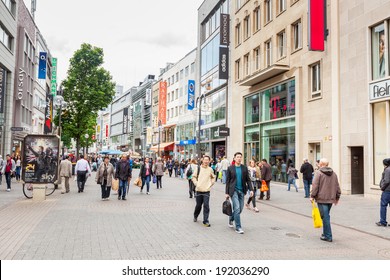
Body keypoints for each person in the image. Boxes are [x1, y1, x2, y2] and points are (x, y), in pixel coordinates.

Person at [310, 158, 341, 242]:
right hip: (330, 199)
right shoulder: (334, 174)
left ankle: (328, 236)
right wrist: (337, 197)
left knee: (325, 217)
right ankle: (325, 234)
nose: (318, 164)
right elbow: (337, 186)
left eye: (319, 163)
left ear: (322, 164)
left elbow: (315, 185)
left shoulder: (319, 173)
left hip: (322, 199)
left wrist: (312, 196)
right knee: (325, 216)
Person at [226, 152, 254, 234]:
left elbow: (248, 180)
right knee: (237, 208)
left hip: (242, 191)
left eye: (240, 157)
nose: (239, 158)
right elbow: (227, 181)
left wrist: (251, 190)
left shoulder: (244, 168)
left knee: (240, 209)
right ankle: (238, 227)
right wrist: (227, 193)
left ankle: (231, 219)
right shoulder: (230, 168)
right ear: (234, 158)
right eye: (237, 157)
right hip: (233, 191)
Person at [192, 155, 216, 227]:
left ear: (209, 161)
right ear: (202, 160)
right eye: (205, 160)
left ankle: (205, 221)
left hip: (206, 190)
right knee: (198, 205)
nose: (206, 161)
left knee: (206, 205)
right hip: (199, 190)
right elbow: (193, 177)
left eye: (207, 160)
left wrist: (211, 183)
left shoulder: (210, 169)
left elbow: (213, 177)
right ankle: (195, 215)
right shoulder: (198, 168)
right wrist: (197, 184)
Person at [376, 158, 390, 227]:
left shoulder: (387, 169)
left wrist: (382, 187)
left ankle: (383, 222)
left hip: (387, 191)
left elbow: (387, 181)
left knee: (383, 206)